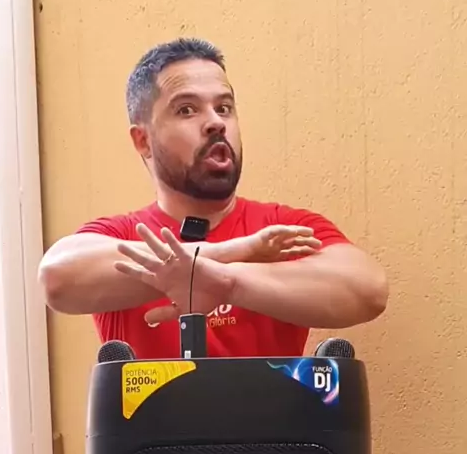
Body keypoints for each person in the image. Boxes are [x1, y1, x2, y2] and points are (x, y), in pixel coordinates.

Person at [38, 38, 388, 359]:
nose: (215, 123)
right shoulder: (123, 234)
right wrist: (237, 251)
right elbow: (57, 278)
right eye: (186, 110)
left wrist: (223, 282)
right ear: (143, 141)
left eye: (224, 108)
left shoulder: (282, 229)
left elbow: (367, 290)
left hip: (273, 412)